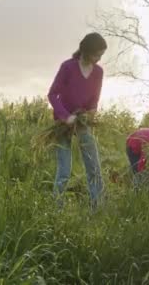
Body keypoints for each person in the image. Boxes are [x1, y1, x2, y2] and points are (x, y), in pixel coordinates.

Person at [48, 32, 107, 209]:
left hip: (82, 122)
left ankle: (97, 206)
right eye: (96, 54)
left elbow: (94, 98)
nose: (98, 59)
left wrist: (92, 111)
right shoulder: (68, 67)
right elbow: (52, 95)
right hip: (63, 123)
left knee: (93, 166)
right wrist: (66, 116)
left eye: (101, 55)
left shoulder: (98, 72)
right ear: (86, 50)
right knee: (64, 169)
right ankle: (56, 208)